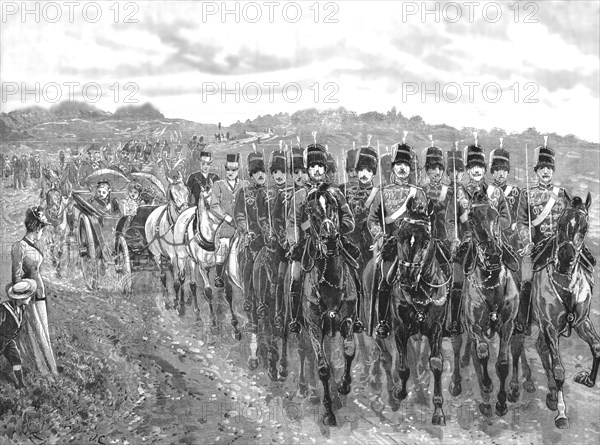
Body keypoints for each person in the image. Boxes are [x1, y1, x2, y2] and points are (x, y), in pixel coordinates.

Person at [286, 143, 356, 333]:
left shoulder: (336, 193)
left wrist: (336, 228)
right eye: (312, 167)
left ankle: (354, 315)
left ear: (325, 169)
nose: (316, 170)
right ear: (307, 170)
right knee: (296, 276)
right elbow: (292, 223)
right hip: (308, 244)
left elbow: (349, 219)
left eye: (320, 166)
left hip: (334, 240)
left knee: (354, 270)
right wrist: (295, 244)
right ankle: (295, 318)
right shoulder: (300, 196)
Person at [367, 141, 429, 338]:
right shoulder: (383, 193)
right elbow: (373, 219)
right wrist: (379, 235)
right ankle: (383, 321)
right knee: (385, 279)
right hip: (393, 244)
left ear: (411, 168)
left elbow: (425, 219)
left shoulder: (418, 193)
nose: (403, 168)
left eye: (406, 164)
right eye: (399, 164)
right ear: (393, 167)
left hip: (416, 244)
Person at [12, 207, 58, 376]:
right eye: (42, 228)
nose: (42, 232)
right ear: (37, 227)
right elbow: (16, 277)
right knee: (35, 333)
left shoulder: (33, 245)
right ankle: (42, 370)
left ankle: (51, 368)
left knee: (43, 332)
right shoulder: (20, 247)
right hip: (29, 295)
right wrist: (21, 300)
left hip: (39, 293)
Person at [340, 145, 379, 270]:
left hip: (371, 242)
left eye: (369, 170)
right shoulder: (344, 191)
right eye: (361, 170)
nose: (364, 174)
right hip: (351, 242)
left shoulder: (378, 193)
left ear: (374, 173)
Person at [210, 153, 247, 288]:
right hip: (227, 225)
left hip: (243, 223)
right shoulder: (218, 185)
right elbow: (214, 205)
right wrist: (227, 217)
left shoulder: (245, 184)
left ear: (238, 171)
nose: (231, 173)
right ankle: (218, 275)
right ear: (225, 170)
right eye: (228, 170)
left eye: (234, 170)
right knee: (224, 246)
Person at [1, 279, 37, 388]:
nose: (30, 298)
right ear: (21, 298)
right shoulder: (3, 308)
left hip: (8, 341)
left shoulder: (22, 308)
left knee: (16, 359)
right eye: (29, 296)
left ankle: (20, 384)